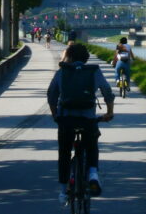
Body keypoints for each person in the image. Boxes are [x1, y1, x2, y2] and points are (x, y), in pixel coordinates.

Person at [47, 43, 114, 202]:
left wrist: (55, 115)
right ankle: (92, 174)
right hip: (88, 119)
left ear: (69, 57)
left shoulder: (62, 72)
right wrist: (109, 112)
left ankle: (63, 192)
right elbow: (107, 92)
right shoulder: (94, 71)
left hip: (66, 120)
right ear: (86, 58)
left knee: (64, 153)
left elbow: (51, 95)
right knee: (91, 145)